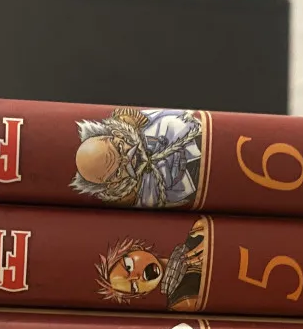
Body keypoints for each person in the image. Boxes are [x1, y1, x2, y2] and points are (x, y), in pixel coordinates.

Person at [70, 107, 204, 209]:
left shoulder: (158, 125)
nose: (127, 160)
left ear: (117, 135)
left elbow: (195, 125)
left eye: (120, 148)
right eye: (117, 171)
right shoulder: (149, 194)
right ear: (113, 183)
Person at [93, 218, 208, 311]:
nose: (136, 277)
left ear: (136, 248)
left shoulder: (198, 231)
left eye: (129, 266)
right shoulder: (181, 301)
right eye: (134, 286)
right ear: (144, 292)